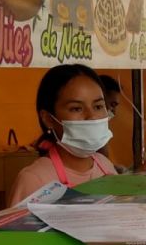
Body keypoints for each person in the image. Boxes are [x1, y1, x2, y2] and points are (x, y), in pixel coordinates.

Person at [8, 64, 117, 206]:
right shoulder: (34, 179)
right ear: (48, 119)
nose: (91, 117)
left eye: (98, 106)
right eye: (76, 108)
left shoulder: (105, 165)